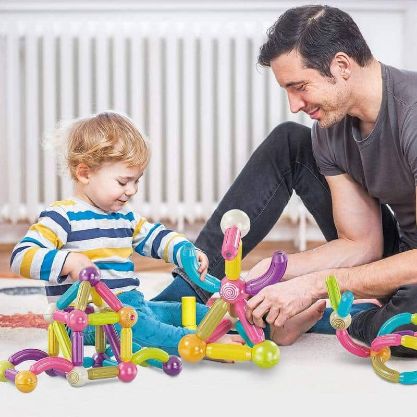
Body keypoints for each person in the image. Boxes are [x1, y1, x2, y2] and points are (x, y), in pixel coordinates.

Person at [154, 5, 417, 356]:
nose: (295, 104)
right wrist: (273, 272)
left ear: (341, 66)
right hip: (400, 254)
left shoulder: (412, 113)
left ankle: (337, 315)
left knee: (400, 328)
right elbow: (363, 244)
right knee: (290, 142)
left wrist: (311, 287)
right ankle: (182, 298)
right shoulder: (329, 129)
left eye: (300, 87)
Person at [10, 111, 241, 354]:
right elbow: (21, 256)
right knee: (144, 329)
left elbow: (154, 236)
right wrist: (69, 261)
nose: (132, 190)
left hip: (129, 306)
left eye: (136, 181)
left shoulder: (125, 216)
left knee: (184, 311)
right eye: (123, 182)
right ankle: (200, 343)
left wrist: (183, 250)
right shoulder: (62, 216)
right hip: (87, 320)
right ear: (85, 173)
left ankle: (237, 324)